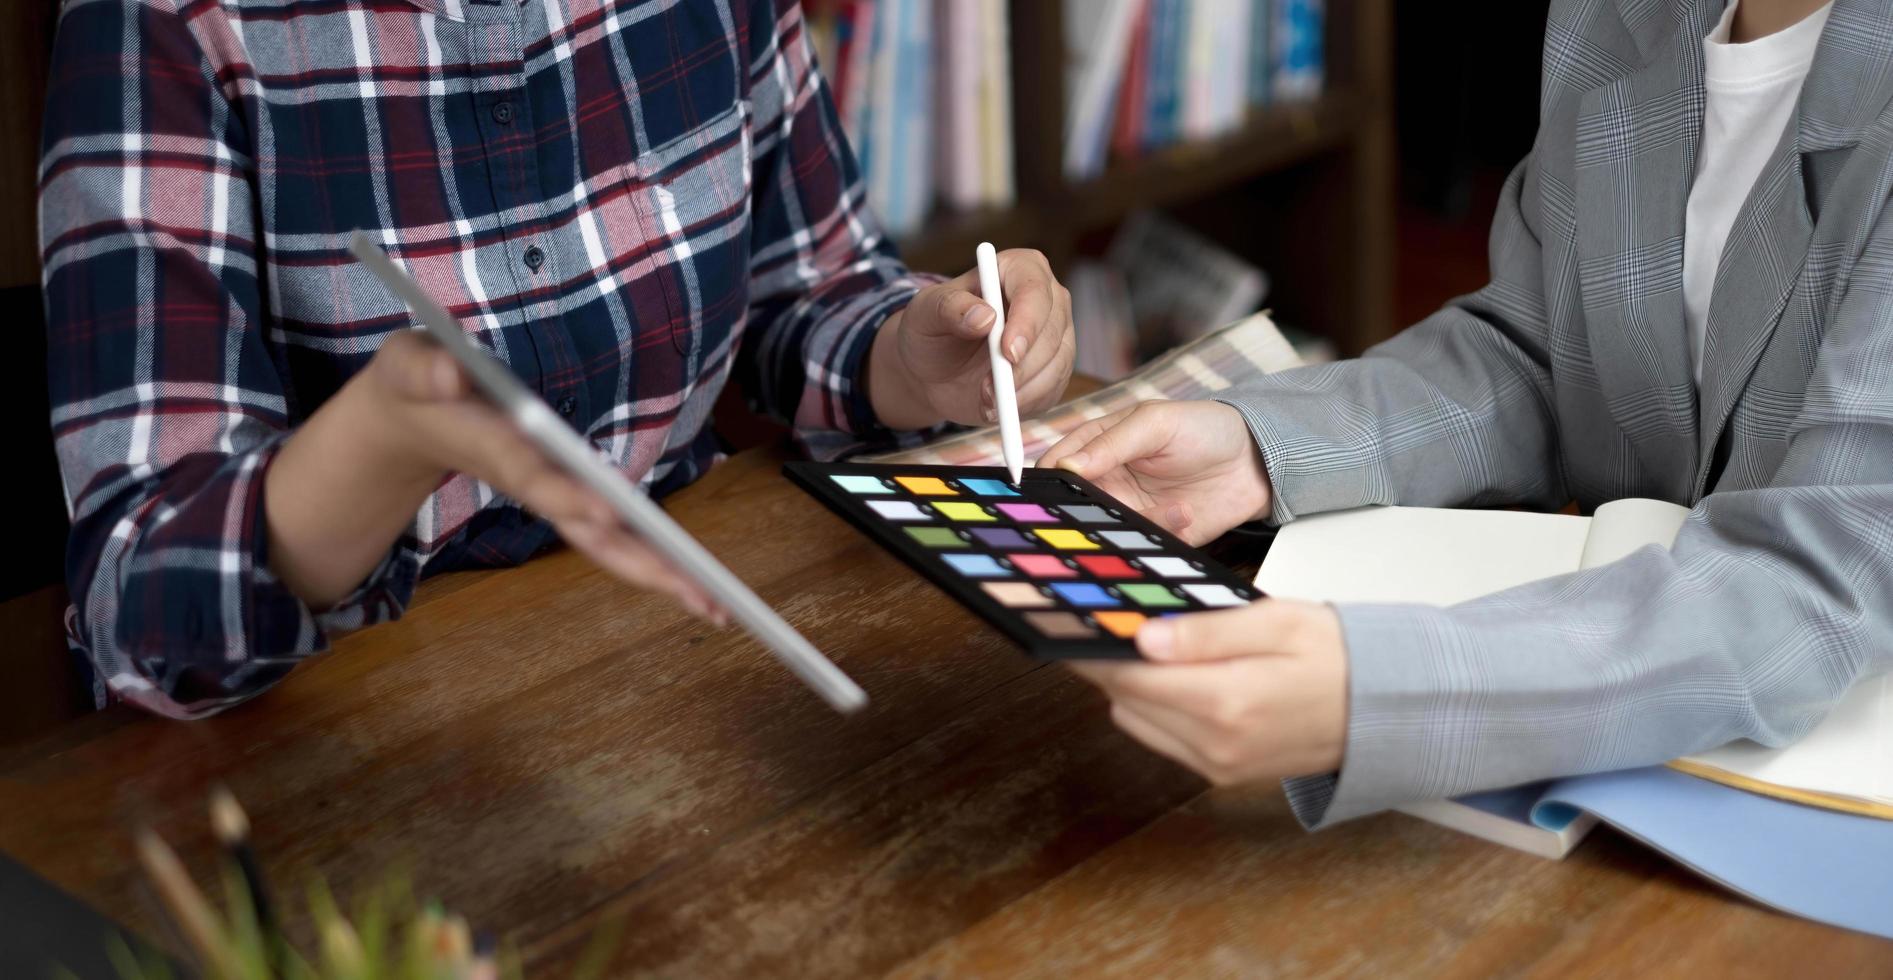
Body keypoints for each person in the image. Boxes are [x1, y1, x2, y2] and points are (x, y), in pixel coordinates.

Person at [39, 0, 1074, 719]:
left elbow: (805, 287)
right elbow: (141, 611)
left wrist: (910, 353)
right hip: (358, 757)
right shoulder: (167, 25)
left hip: (695, 668)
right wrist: (382, 437)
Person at [1041, 0, 1893, 827]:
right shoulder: (1619, 15)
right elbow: (1544, 354)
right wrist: (1262, 450)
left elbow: (1818, 577)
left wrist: (1388, 690)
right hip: (1630, 724)